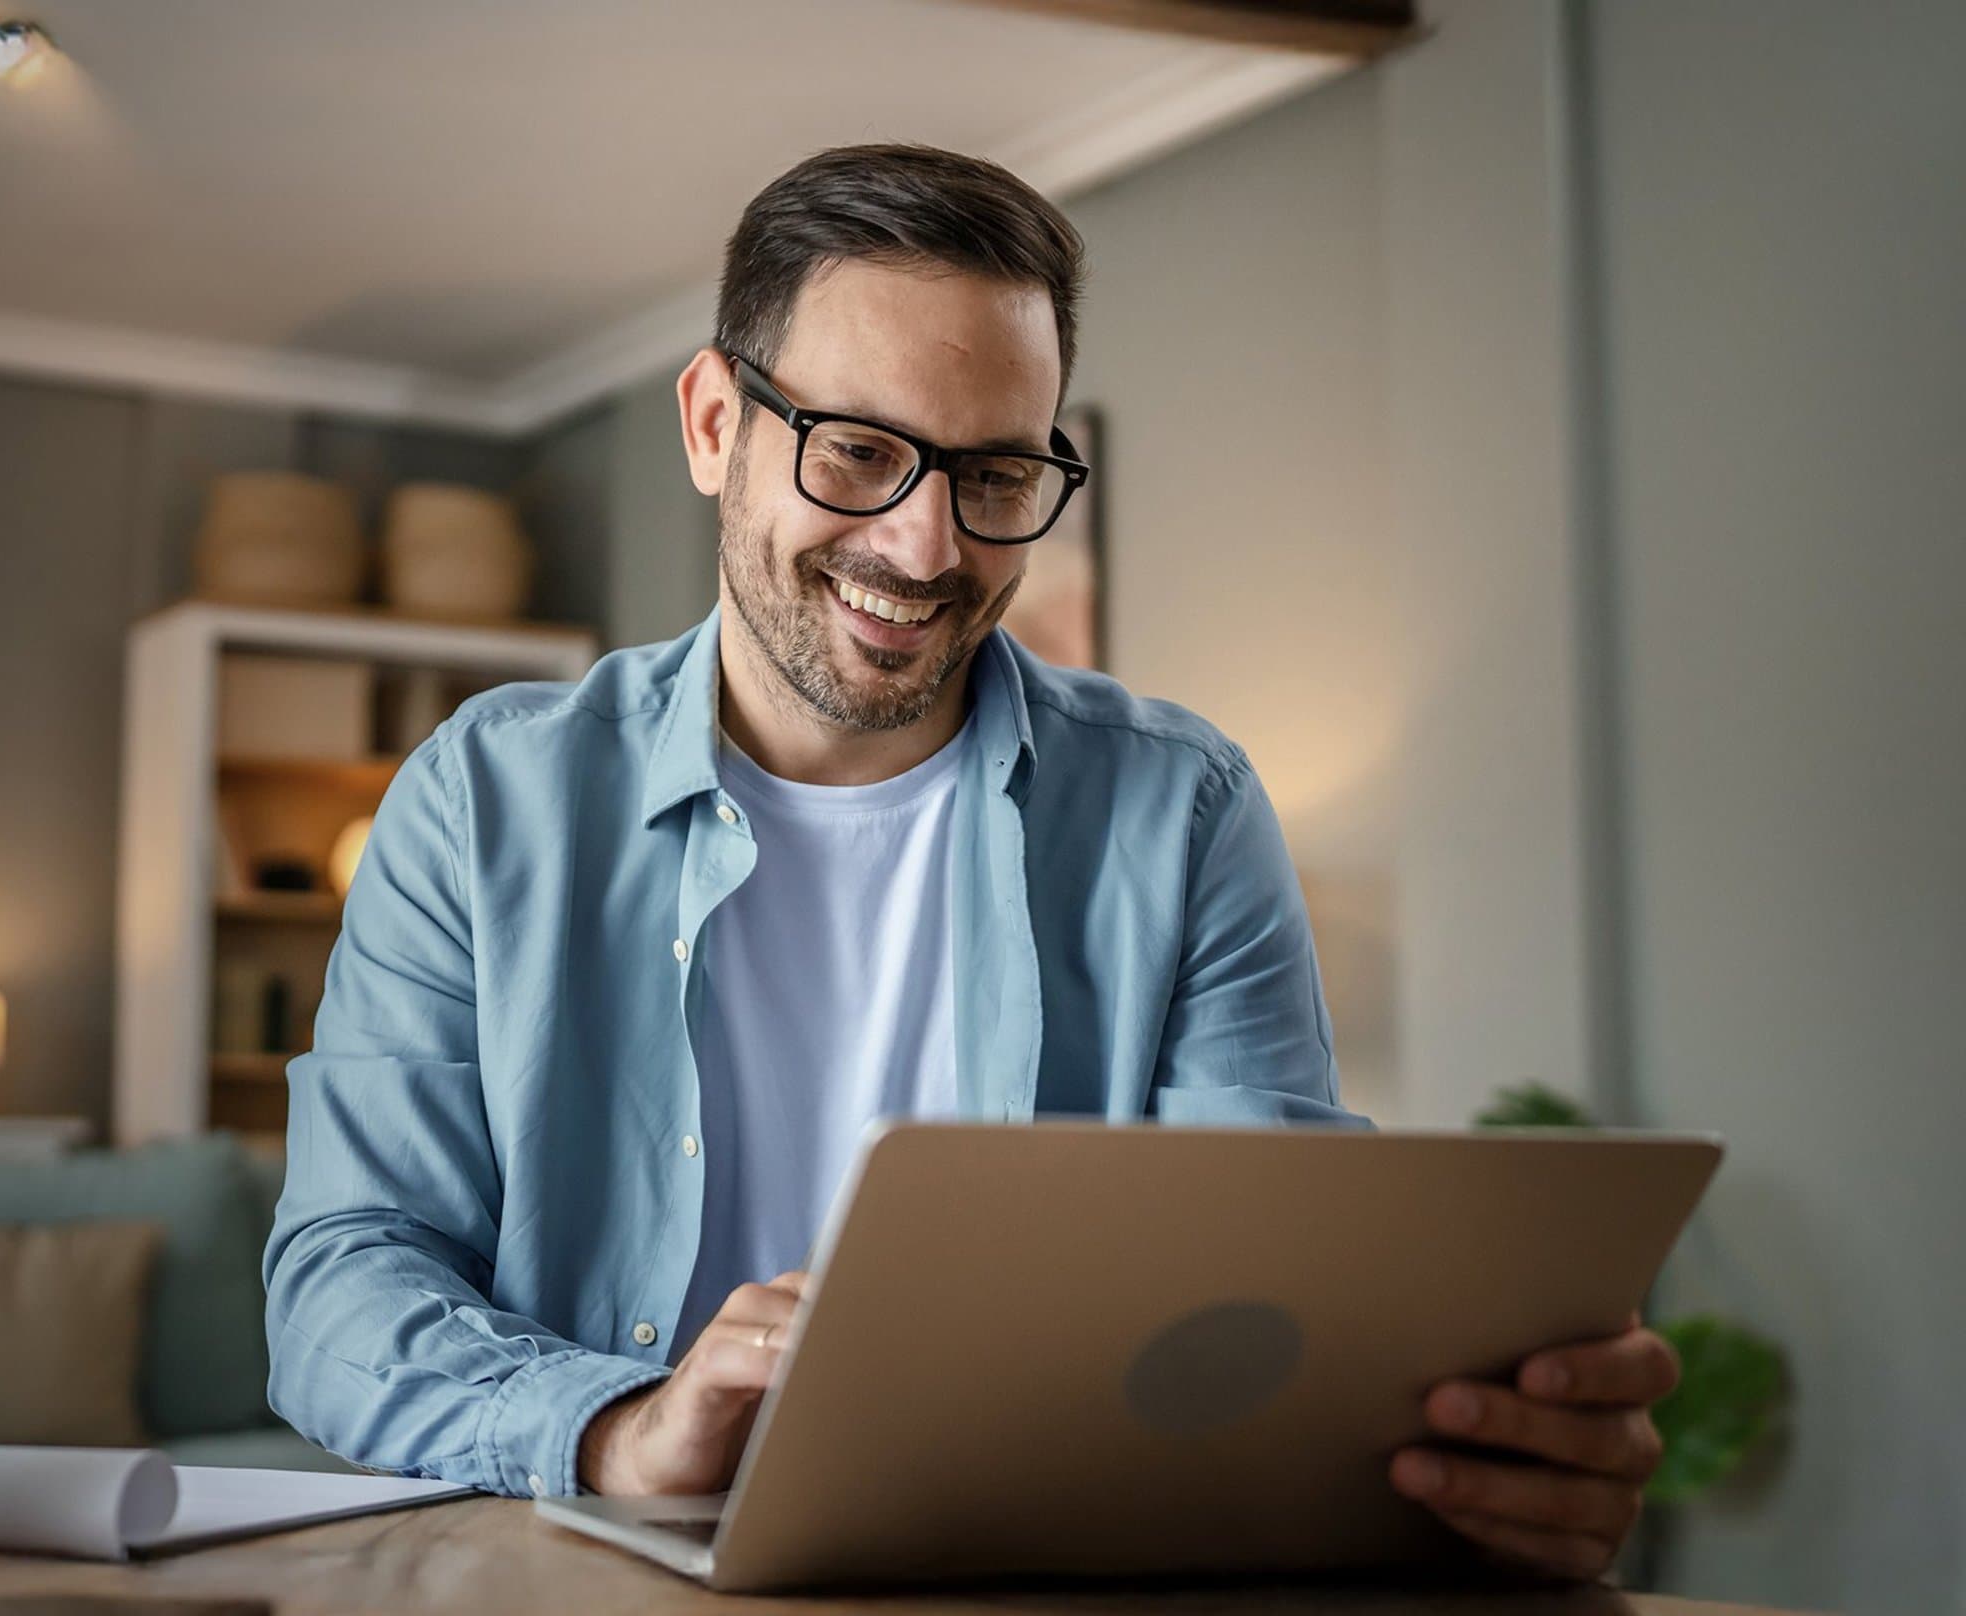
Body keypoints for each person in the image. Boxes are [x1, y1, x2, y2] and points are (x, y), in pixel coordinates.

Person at [264, 143, 1674, 1583]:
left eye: (996, 471)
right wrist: (625, 1427)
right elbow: (343, 1281)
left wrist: (1463, 1460)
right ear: (710, 425)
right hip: (586, 1583)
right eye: (861, 451)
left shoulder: (1181, 813)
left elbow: (1258, 1308)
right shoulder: (483, 799)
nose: (926, 545)